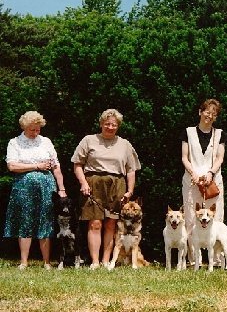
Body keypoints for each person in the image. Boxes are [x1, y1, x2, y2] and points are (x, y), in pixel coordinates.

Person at [71, 109, 141, 270]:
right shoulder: (89, 140)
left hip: (117, 184)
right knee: (95, 223)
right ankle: (95, 262)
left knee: (111, 224)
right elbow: (77, 165)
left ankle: (106, 261)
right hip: (93, 182)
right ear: (101, 123)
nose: (110, 127)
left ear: (118, 126)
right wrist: (83, 183)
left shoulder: (125, 144)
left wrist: (130, 191)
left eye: (114, 125)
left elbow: (131, 170)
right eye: (107, 123)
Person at [4, 111, 68, 270]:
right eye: (32, 129)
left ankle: (47, 262)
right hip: (24, 188)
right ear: (24, 127)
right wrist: (36, 166)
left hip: (47, 188)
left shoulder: (46, 141)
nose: (36, 132)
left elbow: (56, 167)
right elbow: (12, 166)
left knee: (45, 221)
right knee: (25, 222)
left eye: (38, 129)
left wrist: (61, 189)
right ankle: (24, 262)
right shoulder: (15, 142)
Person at [180, 99, 227, 263]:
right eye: (207, 111)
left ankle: (216, 259)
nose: (210, 115)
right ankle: (194, 259)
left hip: (213, 182)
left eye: (214, 113)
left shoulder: (220, 134)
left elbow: (220, 157)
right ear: (200, 112)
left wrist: (211, 173)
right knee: (192, 219)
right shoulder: (188, 132)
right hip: (192, 182)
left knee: (216, 217)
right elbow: (184, 157)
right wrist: (193, 172)